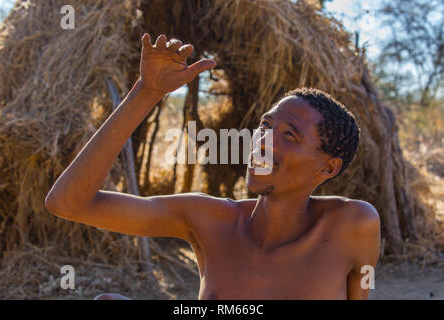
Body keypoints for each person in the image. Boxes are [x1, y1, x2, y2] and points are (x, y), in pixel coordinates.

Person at [45, 34, 380, 300]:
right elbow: (68, 203)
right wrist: (146, 92)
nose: (263, 140)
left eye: (290, 135)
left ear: (328, 167)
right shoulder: (208, 221)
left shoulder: (351, 226)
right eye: (265, 125)